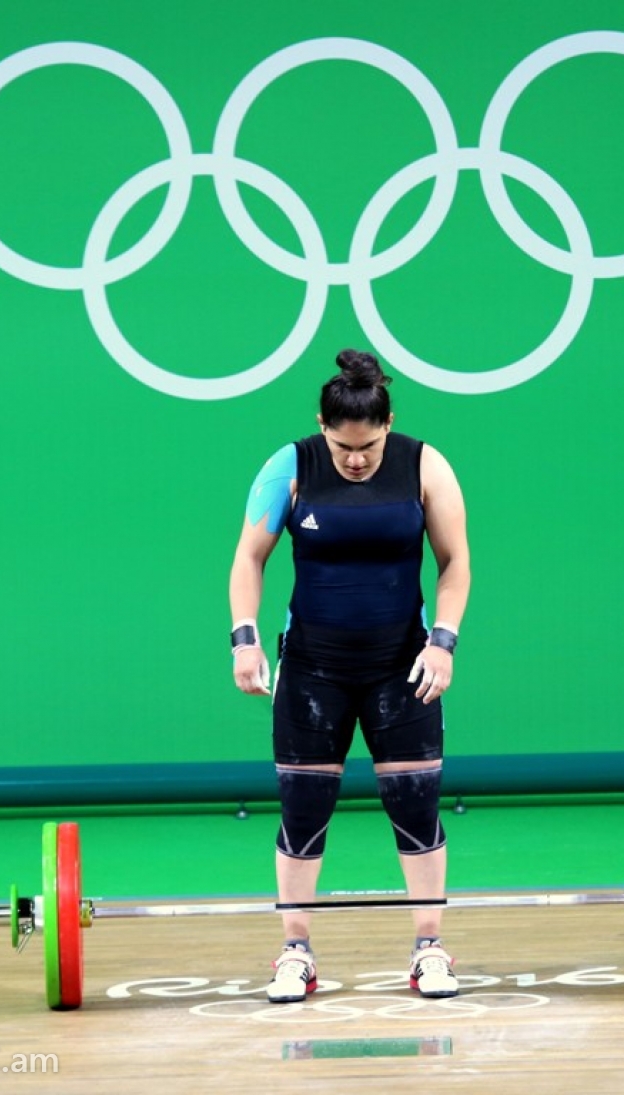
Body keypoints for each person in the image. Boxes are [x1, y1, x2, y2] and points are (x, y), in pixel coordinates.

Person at [228, 349, 471, 1004]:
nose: (356, 460)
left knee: (415, 805)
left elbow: (455, 561)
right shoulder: (291, 466)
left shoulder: (425, 465)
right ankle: (295, 952)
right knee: (303, 810)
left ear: (388, 424)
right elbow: (249, 557)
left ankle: (429, 947)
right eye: (343, 447)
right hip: (314, 667)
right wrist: (245, 637)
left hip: (403, 665)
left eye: (368, 446)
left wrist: (444, 642)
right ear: (322, 426)